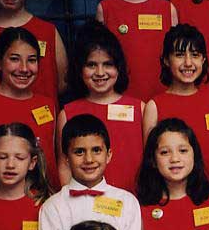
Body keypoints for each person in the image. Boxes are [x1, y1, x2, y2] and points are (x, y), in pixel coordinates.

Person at [0, 27, 59, 191]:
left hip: (46, 201)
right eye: (14, 59)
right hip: (2, 201)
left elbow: (51, 164)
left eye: (31, 60)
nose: (24, 68)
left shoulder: (47, 104)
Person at [145, 24, 209, 192]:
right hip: (179, 193)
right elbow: (152, 161)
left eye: (195, 55)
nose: (188, 63)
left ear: (203, 59)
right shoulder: (154, 106)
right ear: (166, 60)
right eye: (179, 55)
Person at [58, 22, 144, 192]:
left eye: (108, 64)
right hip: (84, 203)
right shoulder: (67, 113)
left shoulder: (140, 108)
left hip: (134, 201)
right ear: (79, 69)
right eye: (91, 65)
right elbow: (64, 167)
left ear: (119, 67)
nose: (99, 72)